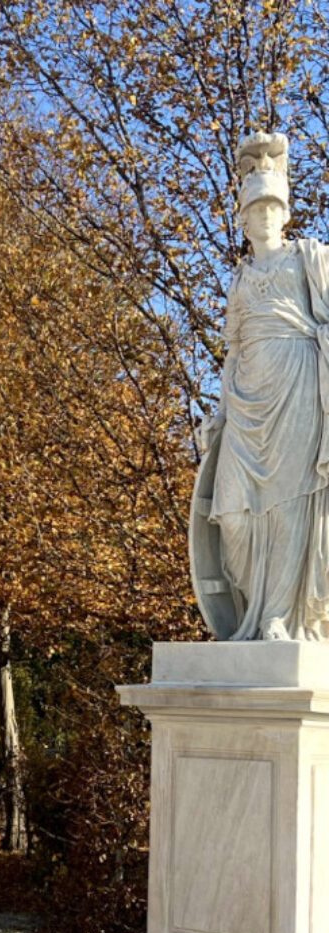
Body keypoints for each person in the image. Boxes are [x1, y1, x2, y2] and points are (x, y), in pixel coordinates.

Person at [202, 131, 329, 641]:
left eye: (274, 208)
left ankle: (278, 614)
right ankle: (256, 605)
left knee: (289, 503)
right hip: (247, 397)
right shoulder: (239, 277)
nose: (266, 217)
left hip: (297, 384)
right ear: (243, 218)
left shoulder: (311, 260)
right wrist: (221, 413)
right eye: (256, 210)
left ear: (286, 213)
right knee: (231, 515)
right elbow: (232, 349)